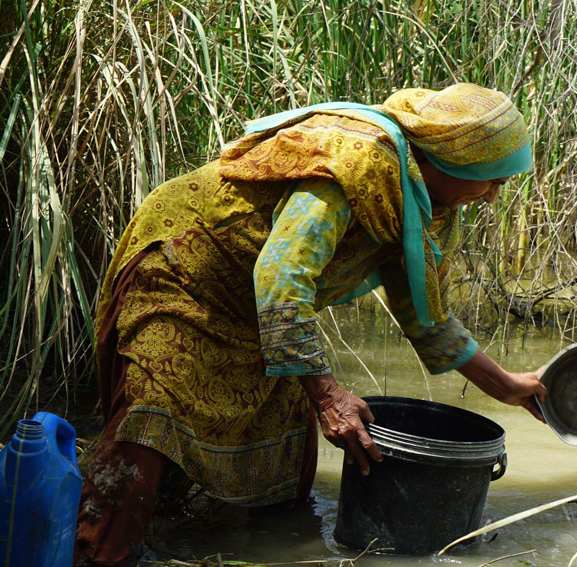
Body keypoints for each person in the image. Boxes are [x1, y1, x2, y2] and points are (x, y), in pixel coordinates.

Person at [75, 83, 548, 566]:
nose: (492, 197)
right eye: (490, 181)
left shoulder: (427, 208)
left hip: (259, 310)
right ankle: (100, 554)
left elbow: (428, 321)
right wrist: (327, 394)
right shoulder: (352, 166)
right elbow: (281, 277)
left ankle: (255, 551)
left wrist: (507, 386)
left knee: (282, 452)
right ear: (450, 163)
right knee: (152, 419)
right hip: (185, 271)